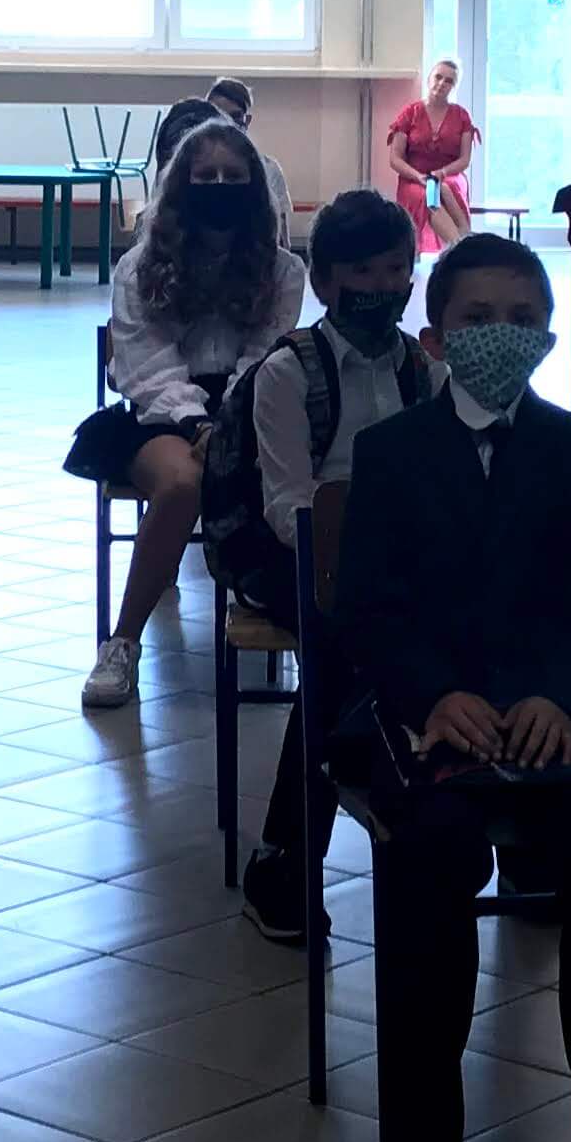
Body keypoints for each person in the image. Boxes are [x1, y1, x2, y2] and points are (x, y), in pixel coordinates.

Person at [334, 234, 571, 1142]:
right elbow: (368, 612)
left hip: (555, 713)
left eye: (522, 319)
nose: (499, 336)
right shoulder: (391, 453)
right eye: (476, 319)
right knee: (431, 855)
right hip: (431, 716)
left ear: (550, 337)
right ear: (436, 336)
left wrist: (562, 696)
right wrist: (436, 696)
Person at [213, 190, 438, 939]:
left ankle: (293, 857)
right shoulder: (287, 371)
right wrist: (357, 547)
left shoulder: (421, 369)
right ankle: (292, 857)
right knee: (344, 647)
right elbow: (287, 505)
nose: (382, 286)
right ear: (325, 280)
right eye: (363, 272)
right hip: (288, 553)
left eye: (396, 269)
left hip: (393, 558)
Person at [70, 119, 309, 708]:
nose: (220, 185)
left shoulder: (284, 271)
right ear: (181, 184)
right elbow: (145, 363)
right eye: (206, 176)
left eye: (233, 175)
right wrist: (197, 423)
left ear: (254, 186)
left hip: (253, 404)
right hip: (163, 412)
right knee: (184, 482)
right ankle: (122, 643)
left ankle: (302, 625)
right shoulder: (140, 266)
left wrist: (229, 422)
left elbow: (266, 356)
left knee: (303, 478)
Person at [380, 57, 480, 254]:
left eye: (449, 81)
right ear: (429, 79)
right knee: (427, 195)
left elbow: (464, 160)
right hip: (413, 178)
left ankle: (462, 241)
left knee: (446, 187)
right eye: (438, 77)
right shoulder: (410, 113)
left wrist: (442, 173)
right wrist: (418, 177)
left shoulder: (462, 116)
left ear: (454, 87)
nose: (442, 83)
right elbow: (395, 159)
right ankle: (461, 246)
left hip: (450, 174)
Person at [206, 76, 292, 242]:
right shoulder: (192, 169)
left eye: (235, 116)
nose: (228, 124)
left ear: (247, 120)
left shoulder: (270, 170)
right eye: (220, 116)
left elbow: (282, 240)